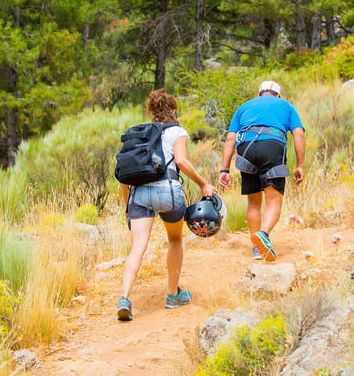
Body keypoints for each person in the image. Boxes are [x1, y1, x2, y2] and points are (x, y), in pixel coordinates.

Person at [117, 90, 216, 322]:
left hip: (139, 193)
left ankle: (124, 298)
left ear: (151, 112)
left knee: (137, 248)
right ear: (173, 110)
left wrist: (127, 207)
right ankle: (172, 295)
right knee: (174, 240)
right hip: (168, 191)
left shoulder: (138, 134)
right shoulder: (177, 131)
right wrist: (203, 184)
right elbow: (181, 160)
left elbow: (123, 177)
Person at [218, 80, 305, 262]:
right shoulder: (285, 105)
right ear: (278, 95)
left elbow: (230, 139)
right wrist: (299, 165)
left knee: (254, 202)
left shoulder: (244, 107)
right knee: (273, 201)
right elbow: (299, 134)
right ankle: (263, 234)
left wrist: (224, 169)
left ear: (259, 94)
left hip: (246, 148)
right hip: (271, 145)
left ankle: (257, 249)